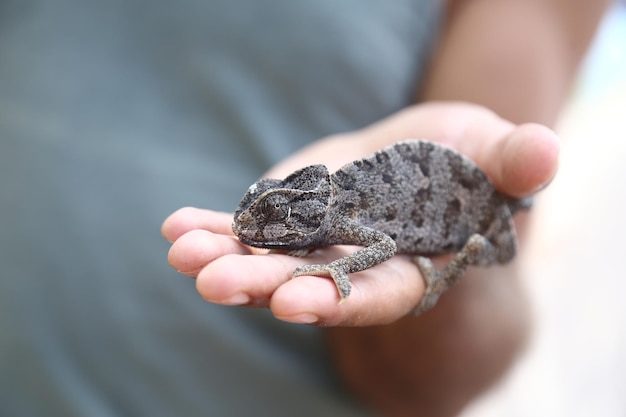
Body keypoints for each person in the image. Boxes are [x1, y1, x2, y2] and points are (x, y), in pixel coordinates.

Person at [0, 1, 609, 416]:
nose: (259, 229)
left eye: (278, 221)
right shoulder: (316, 200)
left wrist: (391, 275)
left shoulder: (338, 222)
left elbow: (401, 257)